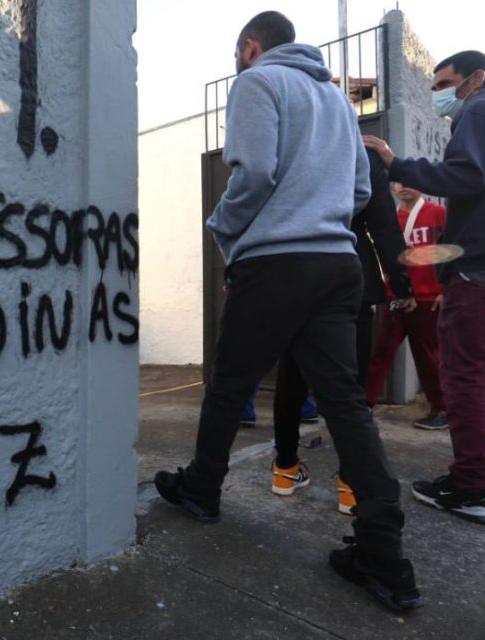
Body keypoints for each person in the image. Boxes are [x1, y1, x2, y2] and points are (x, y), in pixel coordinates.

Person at [154, 11, 422, 611]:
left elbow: (253, 172)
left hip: (276, 262)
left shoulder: (258, 82)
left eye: (237, 53)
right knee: (345, 402)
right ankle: (383, 553)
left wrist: (225, 230)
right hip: (337, 265)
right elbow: (361, 190)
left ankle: (202, 488)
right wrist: (320, 216)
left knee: (229, 384)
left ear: (250, 47)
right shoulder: (333, 100)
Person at [364, 50, 485, 525]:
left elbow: (466, 176)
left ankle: (470, 486)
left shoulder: (482, 110)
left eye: (444, 82)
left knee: (462, 378)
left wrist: (394, 162)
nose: (437, 93)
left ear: (476, 78)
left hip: (483, 276)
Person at [271, 149, 414, 518]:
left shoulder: (294, 149)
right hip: (351, 276)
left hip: (294, 275)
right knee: (351, 388)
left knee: (291, 379)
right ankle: (350, 486)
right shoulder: (360, 155)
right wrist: (402, 285)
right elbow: (384, 224)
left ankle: (285, 471)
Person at [365, 184, 448, 430]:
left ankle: (441, 408)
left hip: (427, 297)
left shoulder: (438, 214)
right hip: (397, 297)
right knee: (381, 351)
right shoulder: (391, 219)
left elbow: (454, 251)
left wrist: (446, 290)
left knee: (427, 354)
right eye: (398, 182)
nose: (403, 187)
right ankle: (364, 405)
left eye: (410, 182)